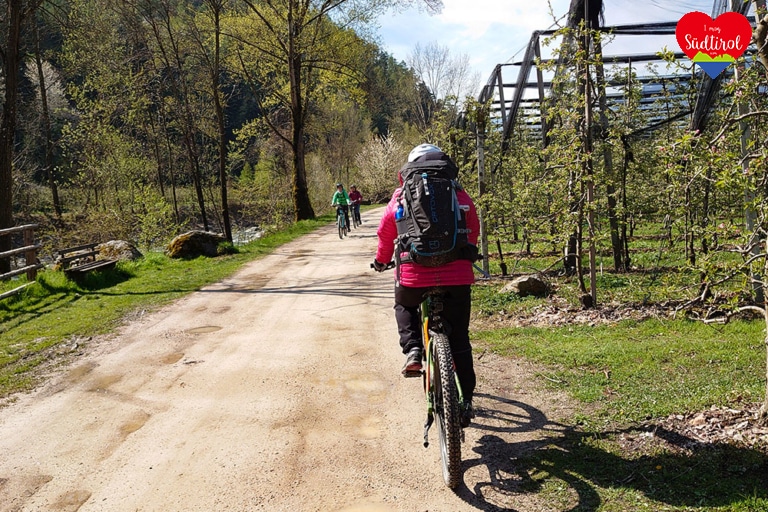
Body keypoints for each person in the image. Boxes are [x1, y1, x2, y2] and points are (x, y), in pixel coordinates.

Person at [372, 144, 480, 426]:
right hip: (457, 275)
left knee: (404, 303)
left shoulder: (401, 195)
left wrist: (382, 261)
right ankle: (466, 400)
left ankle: (413, 350)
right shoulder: (457, 193)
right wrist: (465, 252)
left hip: (414, 273)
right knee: (459, 339)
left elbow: (385, 231)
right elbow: (473, 223)